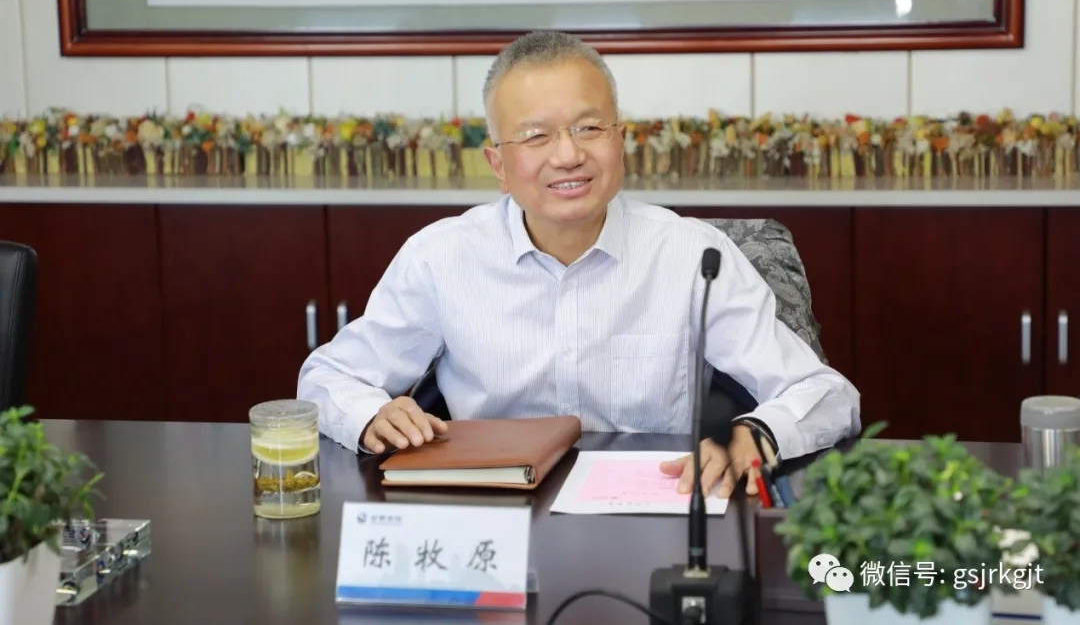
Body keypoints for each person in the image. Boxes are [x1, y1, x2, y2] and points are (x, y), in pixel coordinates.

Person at [298, 30, 861, 497]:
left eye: (589, 128)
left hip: (654, 510)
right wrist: (370, 415)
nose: (568, 155)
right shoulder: (440, 258)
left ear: (622, 140)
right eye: (535, 136)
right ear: (498, 164)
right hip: (491, 513)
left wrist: (757, 435)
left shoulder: (694, 256)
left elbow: (828, 395)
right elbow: (326, 378)